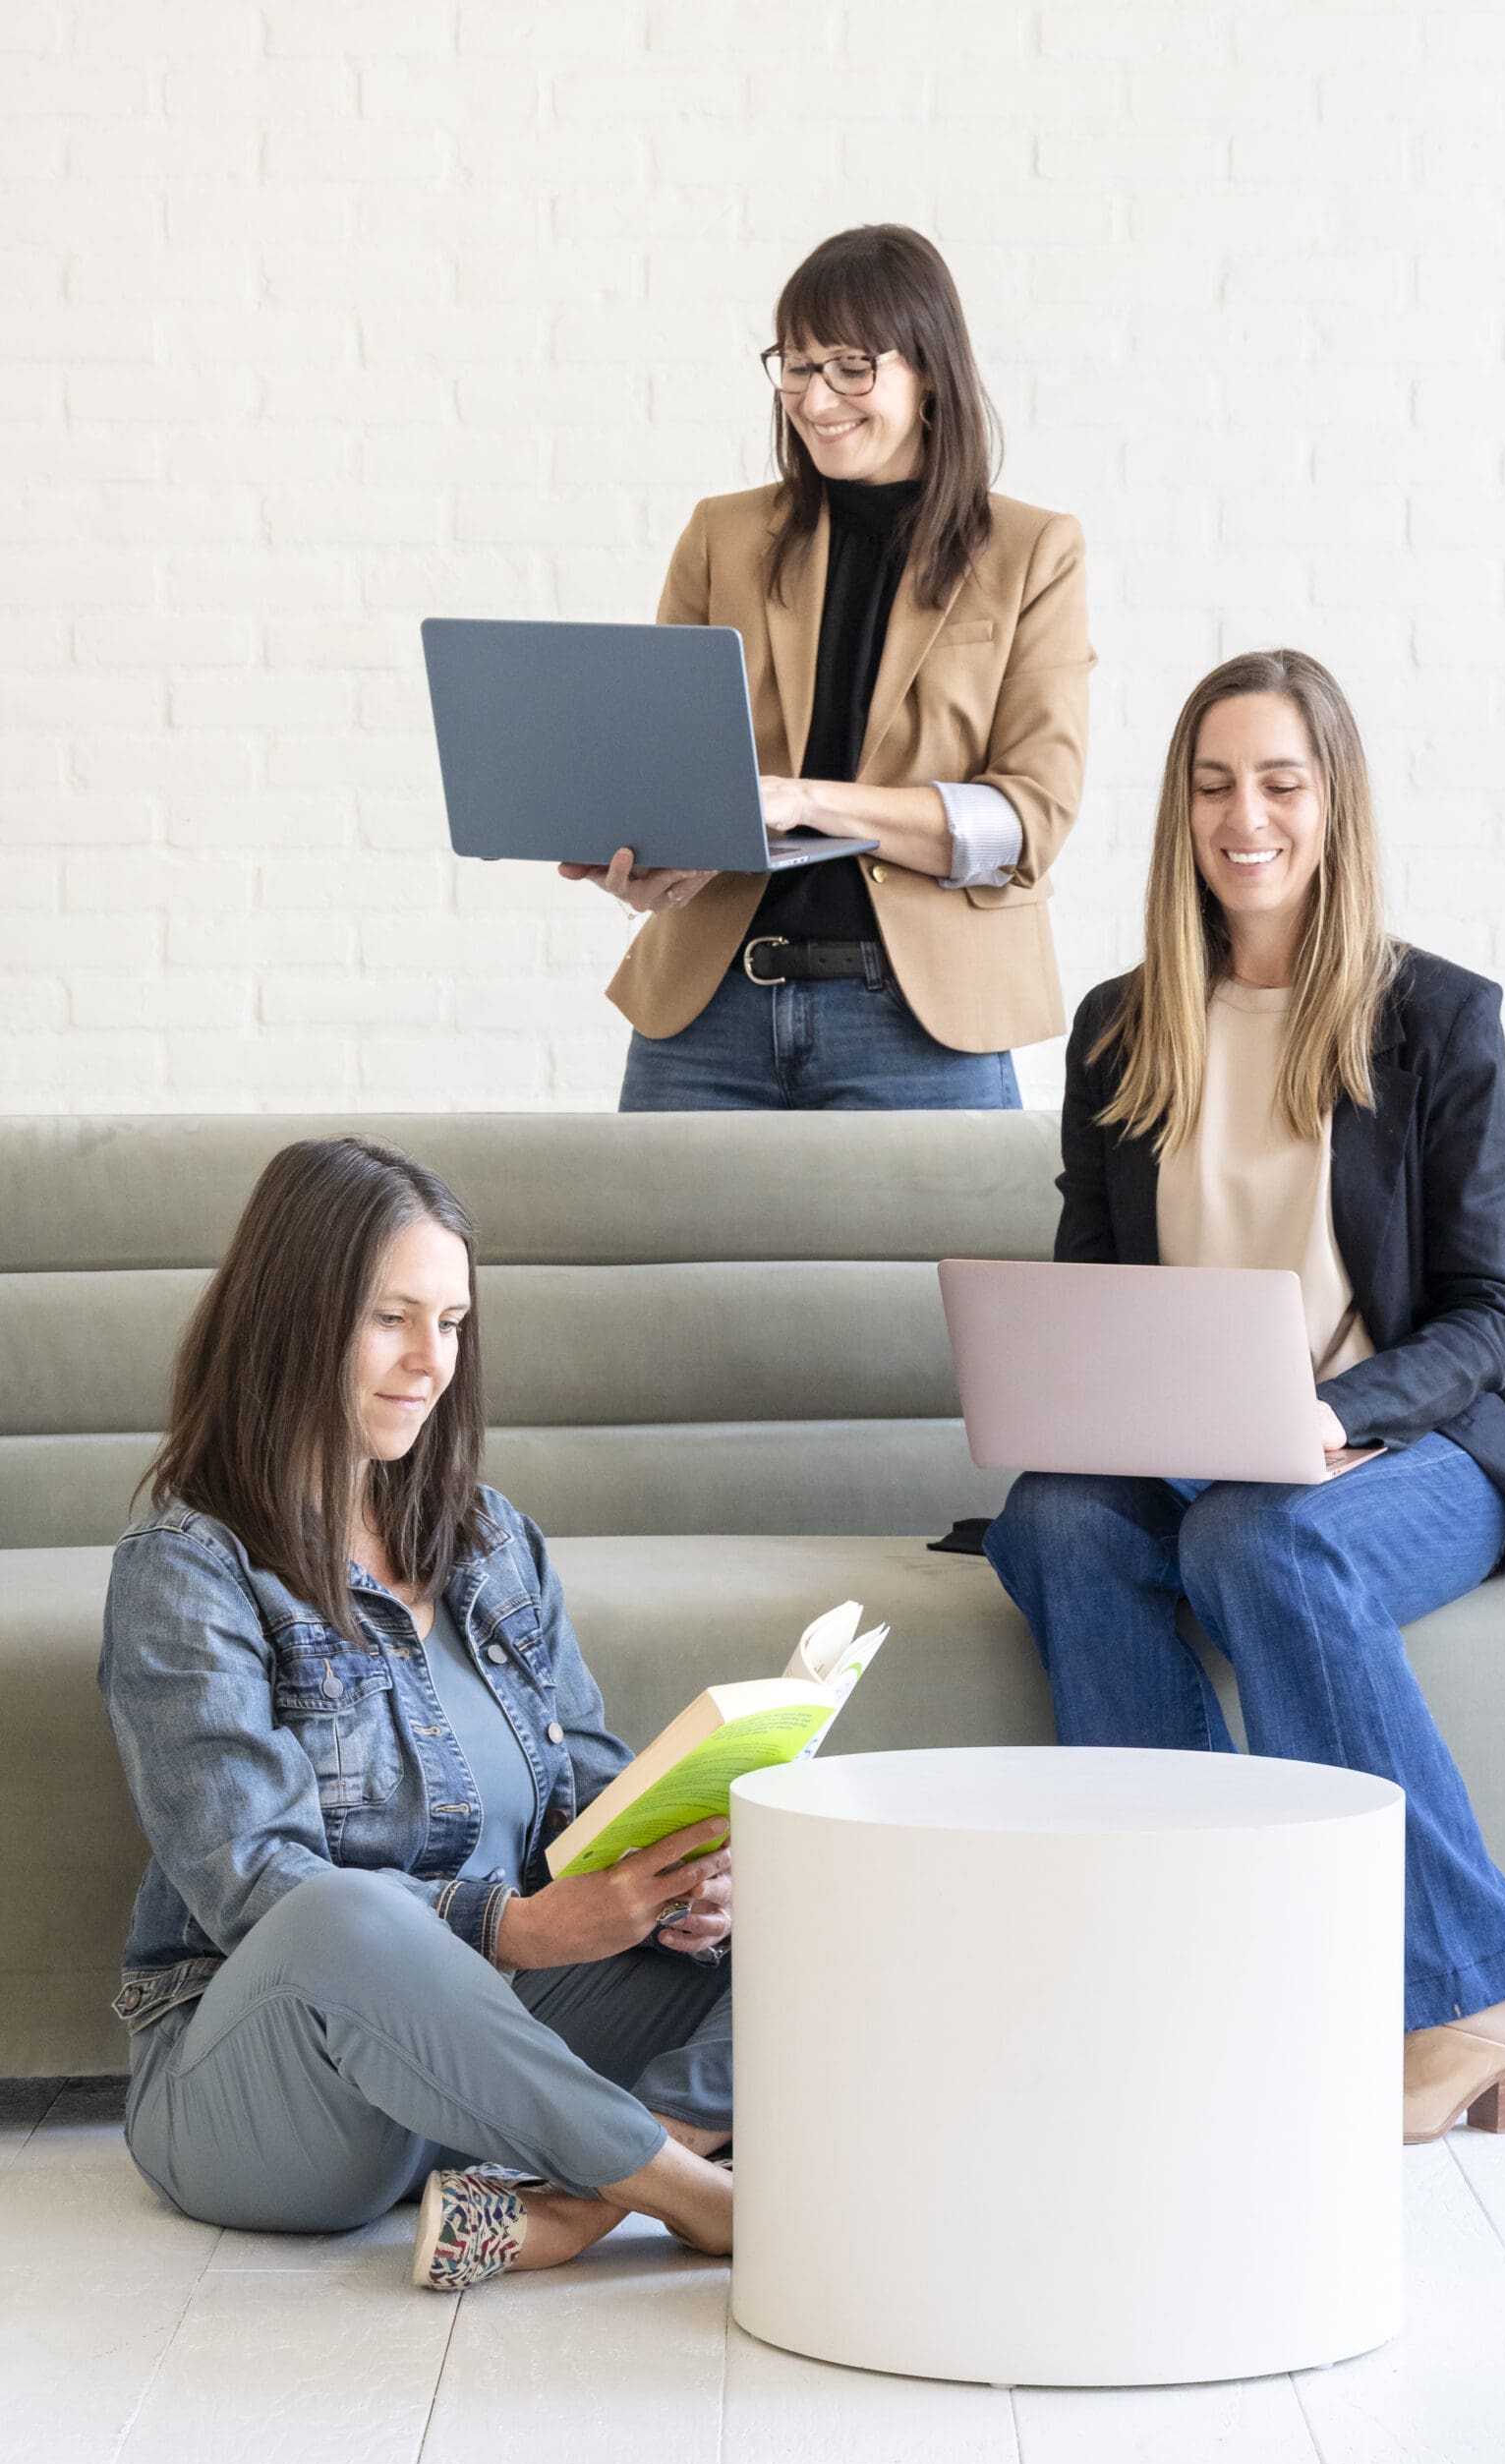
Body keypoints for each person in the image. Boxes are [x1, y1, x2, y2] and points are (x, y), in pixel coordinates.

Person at [981, 649, 1505, 2146]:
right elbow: (1087, 1281)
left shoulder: (1434, 1020)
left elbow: (1492, 1311)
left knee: (1255, 1540)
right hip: (1182, 1445)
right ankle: (1202, 1968)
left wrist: (1334, 1419)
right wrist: (1061, 1387)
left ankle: (1479, 1994)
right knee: (1056, 1527)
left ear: (1330, 802)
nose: (1244, 817)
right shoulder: (1115, 1027)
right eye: (1213, 785)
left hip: (1400, 1446)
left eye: (1278, 782)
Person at [98, 1136, 735, 2291]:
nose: (428, 1361)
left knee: (811, 1898)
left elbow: (593, 1793)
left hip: (490, 2060)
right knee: (341, 1916)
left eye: (450, 1324)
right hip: (281, 2099)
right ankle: (695, 2197)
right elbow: (259, 1889)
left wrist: (682, 1876)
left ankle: (581, 2207)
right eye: (392, 1318)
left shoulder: (492, 1540)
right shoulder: (186, 1568)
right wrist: (524, 1927)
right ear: (296, 1317)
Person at [559, 221, 1093, 1111]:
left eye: (852, 366)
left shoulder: (1032, 551)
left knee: (917, 1263)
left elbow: (1024, 824)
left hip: (921, 1026)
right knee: (661, 1258)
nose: (815, 398)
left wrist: (807, 800)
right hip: (708, 1015)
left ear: (927, 373)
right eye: (798, 366)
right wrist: (656, 859)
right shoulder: (720, 538)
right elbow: (683, 779)